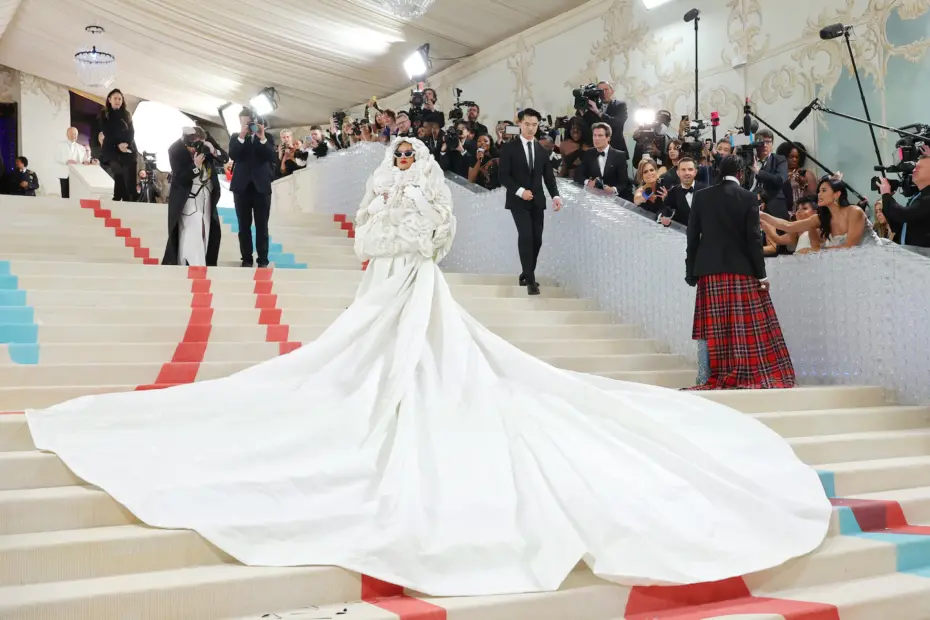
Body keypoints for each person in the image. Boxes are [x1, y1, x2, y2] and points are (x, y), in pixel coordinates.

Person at [25, 136, 831, 598]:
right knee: (360, 368)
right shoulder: (380, 192)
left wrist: (412, 239)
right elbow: (372, 232)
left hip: (420, 285)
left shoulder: (424, 197)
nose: (408, 164)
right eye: (403, 157)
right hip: (384, 285)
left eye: (412, 157)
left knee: (440, 364)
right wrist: (392, 236)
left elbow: (437, 235)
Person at [686, 155, 795, 389]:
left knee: (710, 325)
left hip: (709, 270)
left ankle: (705, 377)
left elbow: (692, 237)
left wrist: (691, 271)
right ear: (741, 174)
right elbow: (754, 240)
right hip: (742, 271)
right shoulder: (748, 197)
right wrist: (761, 274)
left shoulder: (701, 196)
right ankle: (743, 370)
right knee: (743, 326)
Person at [498, 107, 563, 295]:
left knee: (537, 239)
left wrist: (556, 196)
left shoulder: (541, 150)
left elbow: (549, 177)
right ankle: (531, 279)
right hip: (518, 201)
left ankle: (526, 273)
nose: (531, 128)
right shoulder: (510, 148)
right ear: (519, 124)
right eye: (527, 124)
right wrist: (520, 192)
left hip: (537, 201)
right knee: (526, 236)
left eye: (534, 125)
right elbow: (503, 176)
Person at [162, 127, 229, 267]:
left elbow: (224, 158)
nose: (196, 147)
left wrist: (213, 150)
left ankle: (203, 262)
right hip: (187, 197)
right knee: (192, 229)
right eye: (193, 144)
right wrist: (195, 166)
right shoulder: (175, 150)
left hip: (207, 196)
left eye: (200, 142)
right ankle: (190, 263)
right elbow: (180, 178)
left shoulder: (207, 143)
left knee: (207, 230)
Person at [760, 175, 870, 250]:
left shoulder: (855, 212)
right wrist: (762, 215)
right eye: (819, 191)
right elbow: (788, 225)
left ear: (837, 194)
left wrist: (817, 251)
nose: (819, 195)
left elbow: (850, 247)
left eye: (824, 191)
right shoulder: (820, 218)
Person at [229, 107, 276, 268]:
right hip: (241, 187)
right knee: (243, 225)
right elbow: (233, 155)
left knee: (262, 225)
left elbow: (271, 156)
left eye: (249, 123)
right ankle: (246, 258)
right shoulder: (236, 137)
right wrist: (242, 135)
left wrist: (261, 137)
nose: (246, 126)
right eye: (243, 123)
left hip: (261, 187)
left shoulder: (267, 137)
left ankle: (263, 259)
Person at [877, 150, 930, 248]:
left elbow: (903, 215)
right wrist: (887, 198)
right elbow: (899, 223)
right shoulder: (918, 196)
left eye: (919, 167)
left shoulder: (927, 199)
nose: (914, 170)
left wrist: (886, 194)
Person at [97, 88, 137, 202]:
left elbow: (131, 131)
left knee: (126, 175)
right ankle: (122, 198)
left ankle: (119, 197)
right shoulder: (105, 114)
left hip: (127, 147)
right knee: (118, 172)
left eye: (120, 98)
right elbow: (107, 132)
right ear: (109, 99)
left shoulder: (126, 114)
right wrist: (118, 144)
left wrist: (126, 144)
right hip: (111, 148)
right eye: (115, 98)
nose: (117, 101)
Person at [573, 122, 632, 200]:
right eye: (594, 135)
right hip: (593, 198)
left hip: (614, 200)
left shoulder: (619, 155)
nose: (596, 138)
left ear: (608, 138)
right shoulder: (589, 153)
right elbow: (578, 174)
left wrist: (613, 190)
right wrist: (588, 182)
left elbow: (624, 182)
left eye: (600, 135)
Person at [581, 80, 628, 153]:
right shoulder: (592, 107)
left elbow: (618, 123)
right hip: (595, 149)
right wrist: (582, 111)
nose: (603, 93)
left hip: (616, 149)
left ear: (612, 91)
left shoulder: (620, 105)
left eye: (606, 89)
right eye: (600, 90)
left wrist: (598, 112)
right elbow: (586, 126)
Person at [657, 156, 706, 226]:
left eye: (690, 169)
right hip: (681, 234)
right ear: (678, 173)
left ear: (695, 172)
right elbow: (665, 209)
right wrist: (662, 217)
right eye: (683, 170)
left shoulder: (706, 190)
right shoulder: (672, 192)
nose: (687, 173)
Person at [55, 127, 88, 198]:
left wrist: (86, 162)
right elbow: (57, 158)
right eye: (72, 134)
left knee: (76, 195)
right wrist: (66, 161)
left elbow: (84, 160)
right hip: (65, 174)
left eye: (76, 134)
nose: (74, 136)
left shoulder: (81, 148)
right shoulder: (60, 146)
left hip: (77, 175)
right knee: (65, 195)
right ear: (67, 135)